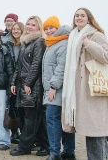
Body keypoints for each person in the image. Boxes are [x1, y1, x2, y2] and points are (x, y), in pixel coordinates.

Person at [62, 8, 108, 160]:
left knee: (96, 132)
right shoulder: (74, 36)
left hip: (94, 90)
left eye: (83, 15)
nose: (79, 18)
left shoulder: (96, 35)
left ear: (89, 19)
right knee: (90, 132)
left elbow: (106, 56)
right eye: (76, 15)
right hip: (81, 91)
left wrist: (88, 43)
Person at [10, 16, 49, 156]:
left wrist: (28, 83)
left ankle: (24, 147)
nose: (30, 26)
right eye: (28, 24)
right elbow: (19, 66)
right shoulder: (25, 42)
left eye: (33, 24)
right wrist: (13, 82)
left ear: (39, 27)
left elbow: (36, 65)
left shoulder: (39, 42)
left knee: (30, 118)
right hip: (22, 85)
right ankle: (46, 146)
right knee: (35, 118)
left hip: (33, 86)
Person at [41, 16, 75, 160]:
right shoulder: (52, 43)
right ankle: (68, 151)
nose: (48, 31)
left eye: (51, 28)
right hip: (54, 89)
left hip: (56, 90)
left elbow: (61, 67)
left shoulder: (62, 43)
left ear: (58, 28)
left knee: (52, 119)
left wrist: (53, 86)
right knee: (63, 120)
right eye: (46, 29)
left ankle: (55, 152)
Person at [4, 21, 25, 144]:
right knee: (12, 108)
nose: (16, 31)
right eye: (14, 29)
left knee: (22, 109)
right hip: (11, 80)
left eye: (18, 29)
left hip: (22, 80)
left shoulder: (25, 44)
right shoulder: (8, 44)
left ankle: (24, 133)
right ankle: (15, 133)